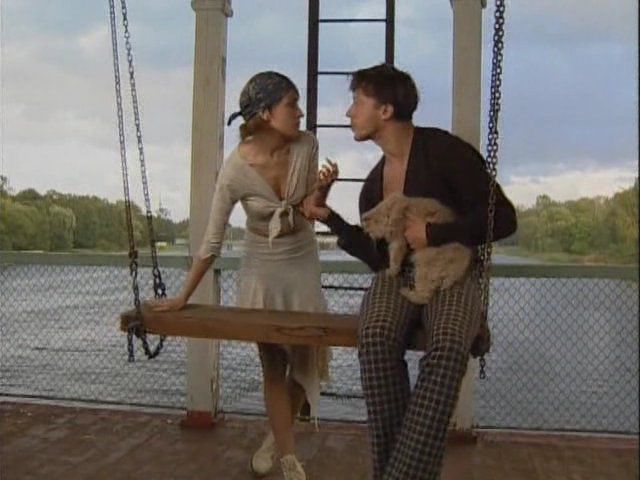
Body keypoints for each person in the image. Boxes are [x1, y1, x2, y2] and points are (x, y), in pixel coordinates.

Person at [302, 64, 517, 480]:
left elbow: (504, 219)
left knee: (449, 345)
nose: (348, 112)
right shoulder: (374, 184)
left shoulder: (446, 153)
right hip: (400, 276)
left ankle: (398, 475)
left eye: (357, 102)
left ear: (385, 110)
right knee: (375, 336)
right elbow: (380, 259)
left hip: (451, 272)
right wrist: (329, 217)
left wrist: (434, 233)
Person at [152, 71, 332, 480]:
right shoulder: (234, 170)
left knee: (307, 360)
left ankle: (275, 438)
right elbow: (211, 242)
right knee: (273, 364)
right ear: (266, 113)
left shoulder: (307, 145)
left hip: (301, 259)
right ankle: (289, 459)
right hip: (260, 267)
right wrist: (182, 297)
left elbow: (309, 209)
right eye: (292, 104)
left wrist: (323, 190)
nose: (300, 112)